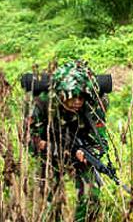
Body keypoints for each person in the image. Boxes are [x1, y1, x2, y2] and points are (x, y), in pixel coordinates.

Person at [27, 60, 109, 221]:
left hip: (81, 153)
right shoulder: (43, 104)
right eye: (74, 97)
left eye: (82, 97)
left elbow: (101, 141)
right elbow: (31, 142)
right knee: (49, 203)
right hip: (49, 155)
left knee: (91, 196)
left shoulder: (93, 104)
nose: (78, 101)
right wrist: (62, 151)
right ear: (61, 94)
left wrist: (90, 154)